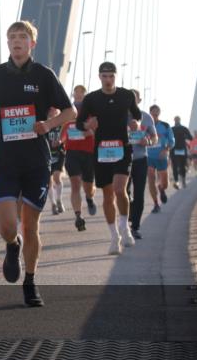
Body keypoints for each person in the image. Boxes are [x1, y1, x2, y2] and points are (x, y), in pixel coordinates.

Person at [0, 21, 75, 309]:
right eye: (12, 37)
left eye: (22, 37)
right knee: (7, 226)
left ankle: (30, 282)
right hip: (7, 160)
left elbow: (70, 111)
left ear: (31, 43)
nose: (16, 41)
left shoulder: (44, 75)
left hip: (37, 161)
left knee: (30, 225)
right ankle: (12, 247)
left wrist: (47, 124)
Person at [74, 61, 141, 255]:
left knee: (120, 190)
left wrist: (135, 123)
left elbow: (136, 116)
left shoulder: (126, 95)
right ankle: (114, 237)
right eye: (104, 76)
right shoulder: (92, 99)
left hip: (122, 148)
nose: (108, 80)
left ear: (116, 77)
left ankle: (124, 226)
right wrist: (88, 125)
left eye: (111, 76)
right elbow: (78, 123)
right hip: (101, 150)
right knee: (108, 195)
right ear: (99, 77)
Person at [62, 85, 97, 231]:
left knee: (88, 187)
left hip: (88, 152)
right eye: (75, 93)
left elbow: (97, 129)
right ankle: (78, 216)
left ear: (85, 95)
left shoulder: (92, 111)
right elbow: (63, 131)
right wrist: (59, 140)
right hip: (72, 153)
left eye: (81, 94)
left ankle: (89, 198)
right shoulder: (68, 111)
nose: (78, 96)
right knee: (75, 184)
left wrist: (89, 132)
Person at [126, 89, 156, 239]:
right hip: (123, 159)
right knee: (123, 192)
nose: (131, 101)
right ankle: (126, 219)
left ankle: (135, 227)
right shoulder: (119, 115)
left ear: (139, 100)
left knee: (139, 194)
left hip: (140, 159)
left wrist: (148, 141)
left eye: (134, 98)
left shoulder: (146, 117)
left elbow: (154, 137)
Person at [146, 104, 174, 213]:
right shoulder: (145, 125)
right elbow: (138, 137)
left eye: (157, 111)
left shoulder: (165, 126)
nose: (155, 113)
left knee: (165, 183)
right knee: (151, 180)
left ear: (159, 113)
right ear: (150, 113)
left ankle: (162, 189)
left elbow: (172, 141)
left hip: (161, 156)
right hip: (149, 156)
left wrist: (166, 149)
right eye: (153, 111)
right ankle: (156, 204)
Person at [46, 111, 65, 215]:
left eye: (54, 110)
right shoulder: (45, 124)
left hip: (59, 154)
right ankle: (53, 204)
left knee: (57, 177)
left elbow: (66, 134)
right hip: (47, 156)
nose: (52, 112)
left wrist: (60, 141)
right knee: (49, 181)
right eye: (50, 110)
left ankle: (59, 200)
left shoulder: (61, 123)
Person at [170, 116, 192, 188]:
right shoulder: (184, 128)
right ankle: (183, 180)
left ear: (174, 121)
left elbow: (168, 138)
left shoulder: (171, 129)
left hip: (174, 149)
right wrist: (184, 137)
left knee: (175, 166)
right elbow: (190, 138)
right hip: (181, 149)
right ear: (179, 120)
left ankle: (177, 182)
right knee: (182, 166)